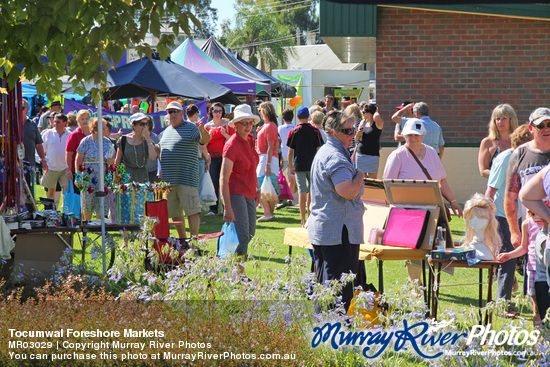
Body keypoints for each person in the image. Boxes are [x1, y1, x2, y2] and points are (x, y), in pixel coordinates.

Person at [383, 118, 462, 286]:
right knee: (415, 248)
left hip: (433, 210)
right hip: (409, 212)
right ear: (404, 136)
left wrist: (453, 201)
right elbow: (387, 186)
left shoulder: (432, 153)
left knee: (434, 245)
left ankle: (432, 281)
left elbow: (442, 181)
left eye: (417, 135)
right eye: (409, 135)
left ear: (423, 136)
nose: (413, 138)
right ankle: (415, 283)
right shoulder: (397, 156)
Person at [308, 110, 365, 312]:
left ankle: (323, 333)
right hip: (339, 232)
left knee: (326, 288)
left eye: (354, 129)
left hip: (329, 230)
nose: (352, 134)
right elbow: (347, 190)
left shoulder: (327, 151)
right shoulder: (335, 156)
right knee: (338, 292)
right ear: (333, 132)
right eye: (347, 130)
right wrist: (360, 175)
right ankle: (334, 337)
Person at [485, 124, 532, 309]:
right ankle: (502, 303)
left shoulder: (525, 158)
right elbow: (491, 190)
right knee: (508, 258)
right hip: (501, 214)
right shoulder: (504, 159)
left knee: (528, 256)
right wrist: (488, 218)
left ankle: (529, 300)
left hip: (523, 213)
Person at [157, 101, 210, 240]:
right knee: (175, 213)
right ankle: (182, 241)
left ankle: (193, 242)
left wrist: (202, 130)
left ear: (182, 113)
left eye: (175, 111)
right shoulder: (166, 131)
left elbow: (205, 141)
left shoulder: (192, 128)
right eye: (170, 112)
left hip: (187, 179)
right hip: (169, 181)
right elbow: (160, 152)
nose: (172, 114)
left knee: (192, 212)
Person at [220, 104, 260, 278]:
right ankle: (239, 275)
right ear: (235, 124)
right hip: (236, 193)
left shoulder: (251, 140)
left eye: (250, 122)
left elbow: (251, 168)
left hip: (250, 192)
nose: (248, 126)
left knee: (250, 233)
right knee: (243, 235)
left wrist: (257, 189)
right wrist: (227, 207)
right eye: (244, 123)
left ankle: (232, 268)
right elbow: (223, 178)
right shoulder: (231, 145)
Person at [505, 107, 550, 249]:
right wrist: (514, 231)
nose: (546, 129)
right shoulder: (520, 154)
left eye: (549, 125)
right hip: (531, 228)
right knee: (533, 270)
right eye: (540, 126)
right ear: (531, 128)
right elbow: (510, 195)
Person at [517, 166, 550, 325]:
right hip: (534, 269)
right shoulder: (528, 225)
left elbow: (526, 196)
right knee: (538, 305)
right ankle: (542, 334)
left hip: (540, 270)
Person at [498, 210, 543, 324]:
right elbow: (524, 248)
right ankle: (540, 337)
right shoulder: (527, 224)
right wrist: (509, 255)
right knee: (536, 307)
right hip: (533, 269)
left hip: (546, 268)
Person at [287, 106, 324, 227]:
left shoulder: (294, 131)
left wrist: (290, 165)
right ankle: (309, 217)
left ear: (297, 118)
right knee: (311, 192)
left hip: (299, 165)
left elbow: (290, 151)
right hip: (313, 165)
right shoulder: (315, 131)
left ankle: (302, 220)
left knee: (302, 192)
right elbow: (319, 149)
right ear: (308, 117)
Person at [75, 118, 115, 220]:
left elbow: (112, 159)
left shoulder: (108, 142)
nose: (106, 130)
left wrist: (111, 161)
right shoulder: (86, 141)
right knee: (87, 201)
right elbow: (78, 159)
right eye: (104, 128)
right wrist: (78, 176)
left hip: (103, 176)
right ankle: (87, 226)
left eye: (106, 127)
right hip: (88, 176)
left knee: (102, 201)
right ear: (95, 128)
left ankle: (99, 227)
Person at [205, 102, 234, 216]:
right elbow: (203, 144)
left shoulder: (227, 124)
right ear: (211, 112)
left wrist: (225, 134)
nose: (218, 113)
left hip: (224, 157)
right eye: (215, 111)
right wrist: (206, 159)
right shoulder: (207, 126)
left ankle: (226, 207)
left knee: (225, 182)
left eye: (220, 111)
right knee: (213, 183)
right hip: (211, 157)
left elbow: (233, 140)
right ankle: (213, 209)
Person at [115, 112, 157, 183]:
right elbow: (117, 161)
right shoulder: (123, 140)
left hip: (142, 178)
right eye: (141, 124)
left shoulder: (148, 141)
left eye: (146, 124)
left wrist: (147, 138)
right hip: (126, 178)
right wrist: (115, 178)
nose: (144, 126)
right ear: (133, 125)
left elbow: (153, 157)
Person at [478, 104, 517, 178]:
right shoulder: (487, 142)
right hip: (496, 188)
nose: (500, 122)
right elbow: (483, 171)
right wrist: (503, 177)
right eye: (498, 119)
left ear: (511, 120)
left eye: (504, 118)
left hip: (516, 187)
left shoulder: (520, 141)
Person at [256, 101, 280, 222]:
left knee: (260, 184)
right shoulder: (268, 125)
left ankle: (267, 212)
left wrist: (268, 164)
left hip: (267, 158)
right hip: (267, 157)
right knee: (269, 185)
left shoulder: (270, 126)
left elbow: (270, 146)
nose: (259, 113)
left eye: (260, 110)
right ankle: (269, 212)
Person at [461, 193, 502, 261]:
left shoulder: (487, 254)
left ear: (489, 220)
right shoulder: (469, 248)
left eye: (480, 217)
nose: (475, 220)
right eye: (472, 217)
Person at [41, 113, 70, 207]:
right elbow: (41, 150)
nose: (55, 124)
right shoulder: (48, 133)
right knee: (51, 192)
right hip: (51, 167)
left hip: (65, 167)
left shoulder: (69, 135)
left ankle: (67, 213)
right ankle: (49, 212)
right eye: (54, 122)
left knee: (67, 191)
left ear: (65, 123)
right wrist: (43, 162)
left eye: (58, 122)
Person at [22, 99, 46, 197]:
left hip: (29, 164)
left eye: (22, 108)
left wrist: (43, 160)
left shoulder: (32, 125)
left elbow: (39, 145)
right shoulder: (9, 124)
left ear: (27, 109)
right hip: (12, 164)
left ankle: (30, 211)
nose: (19, 110)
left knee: (29, 194)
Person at [354, 103, 384, 178]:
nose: (362, 114)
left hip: (373, 156)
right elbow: (356, 140)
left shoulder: (378, 123)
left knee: (372, 181)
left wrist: (376, 110)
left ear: (370, 113)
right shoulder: (362, 122)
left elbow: (376, 116)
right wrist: (358, 133)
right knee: (360, 180)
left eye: (363, 112)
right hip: (361, 155)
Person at [66, 109, 91, 194]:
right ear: (78, 121)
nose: (85, 121)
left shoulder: (94, 133)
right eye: (82, 119)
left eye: (87, 118)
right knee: (79, 196)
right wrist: (69, 170)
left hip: (92, 170)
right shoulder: (74, 135)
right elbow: (69, 154)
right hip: (77, 170)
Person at [276, 108, 296, 209]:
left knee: (279, 176)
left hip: (283, 154)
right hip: (293, 154)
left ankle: (279, 197)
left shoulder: (280, 128)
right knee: (291, 178)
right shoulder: (296, 127)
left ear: (283, 118)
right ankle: (289, 198)